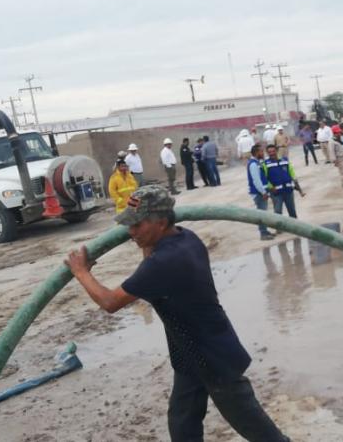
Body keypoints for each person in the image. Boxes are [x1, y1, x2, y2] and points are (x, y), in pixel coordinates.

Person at [64, 186, 289, 442]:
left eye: (138, 225)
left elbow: (110, 302)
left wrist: (81, 272)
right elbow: (150, 259)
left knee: (257, 429)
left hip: (212, 357)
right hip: (191, 351)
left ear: (160, 223)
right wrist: (143, 241)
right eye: (130, 225)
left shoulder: (164, 263)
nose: (131, 232)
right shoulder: (185, 238)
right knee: (182, 423)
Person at [247, 144, 275, 241]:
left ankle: (265, 231)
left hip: (260, 192)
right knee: (261, 214)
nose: (263, 153)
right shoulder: (253, 164)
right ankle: (263, 234)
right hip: (259, 193)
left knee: (263, 213)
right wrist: (263, 192)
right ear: (257, 152)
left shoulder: (257, 162)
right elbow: (256, 180)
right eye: (261, 152)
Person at [262, 145, 299, 219]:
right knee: (278, 211)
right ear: (267, 153)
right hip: (276, 192)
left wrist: (295, 182)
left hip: (288, 190)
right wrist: (271, 187)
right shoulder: (265, 164)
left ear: (276, 151)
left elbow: (291, 172)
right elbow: (264, 178)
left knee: (292, 210)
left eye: (273, 151)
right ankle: (278, 228)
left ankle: (295, 228)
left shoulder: (285, 160)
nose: (272, 153)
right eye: (269, 152)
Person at [331, 125, 343, 189]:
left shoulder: (341, 138)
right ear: (334, 133)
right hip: (340, 158)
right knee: (342, 172)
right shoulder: (332, 141)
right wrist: (334, 160)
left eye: (339, 132)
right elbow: (332, 152)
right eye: (338, 132)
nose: (339, 133)